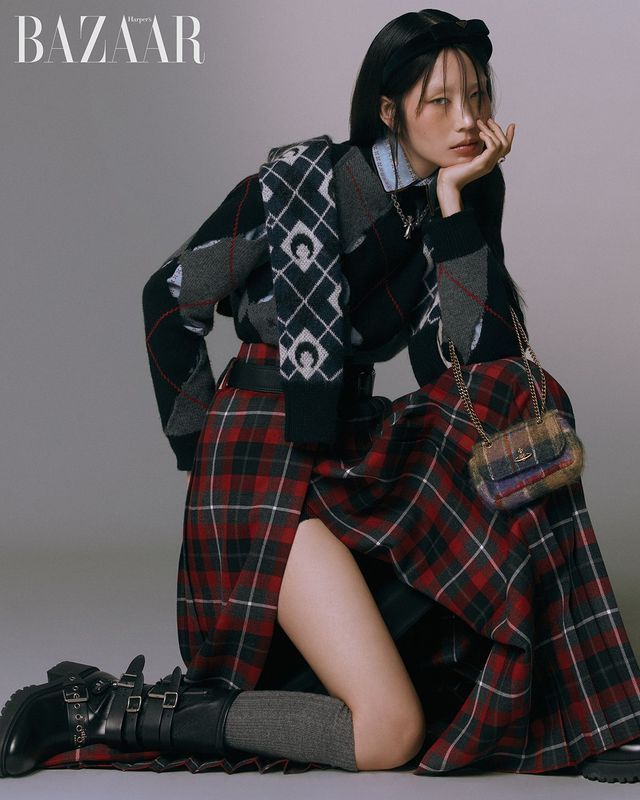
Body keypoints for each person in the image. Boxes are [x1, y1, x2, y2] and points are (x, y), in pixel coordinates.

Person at [1, 7, 640, 783]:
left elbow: (476, 371)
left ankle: (581, 712)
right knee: (388, 732)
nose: (467, 119)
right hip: (260, 464)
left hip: (348, 456)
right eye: (441, 100)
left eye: (478, 96)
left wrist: (454, 210)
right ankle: (112, 710)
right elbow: (168, 300)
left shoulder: (454, 202)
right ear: (389, 109)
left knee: (518, 414)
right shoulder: (299, 186)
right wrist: (203, 450)